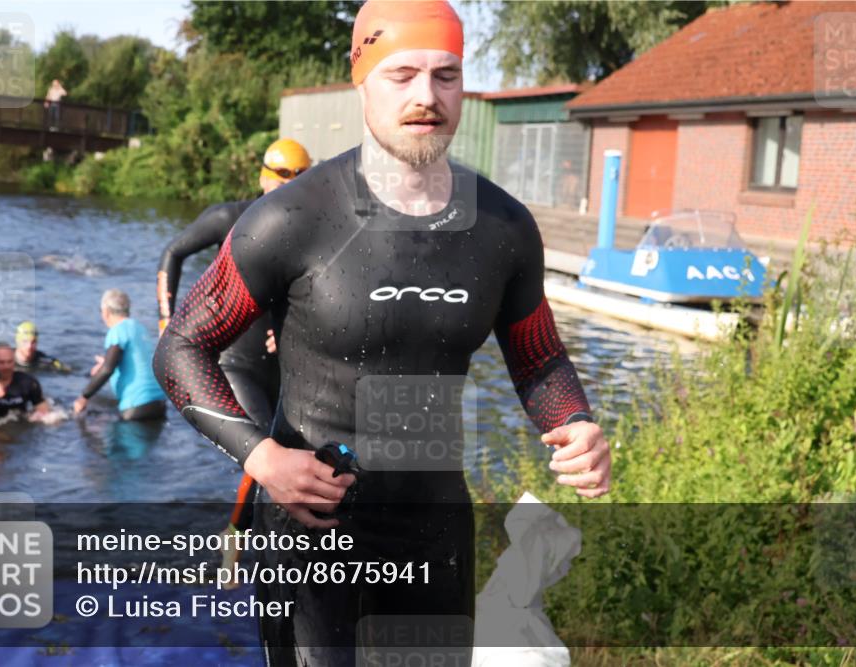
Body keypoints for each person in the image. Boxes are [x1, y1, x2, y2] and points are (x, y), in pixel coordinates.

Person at [154, 1, 611, 663]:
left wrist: (576, 419)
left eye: (446, 75)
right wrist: (260, 458)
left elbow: (538, 358)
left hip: (433, 528)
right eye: (402, 74)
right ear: (361, 79)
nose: (427, 96)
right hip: (311, 527)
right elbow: (181, 345)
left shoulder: (504, 228)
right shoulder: (290, 217)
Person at [157, 138, 311, 536]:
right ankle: (238, 542)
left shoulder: (313, 227)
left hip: (282, 368)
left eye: (300, 175)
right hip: (235, 364)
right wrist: (166, 321)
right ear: (263, 174)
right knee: (264, 453)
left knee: (294, 456)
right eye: (282, 174)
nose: (290, 182)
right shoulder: (232, 217)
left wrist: (296, 328)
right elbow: (173, 253)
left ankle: (252, 541)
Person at [75, 289, 166, 421]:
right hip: (159, 404)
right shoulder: (140, 328)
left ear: (106, 311)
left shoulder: (117, 331)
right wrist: (106, 362)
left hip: (136, 406)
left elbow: (107, 370)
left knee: (85, 421)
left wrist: (83, 397)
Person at [0, 341, 50, 423]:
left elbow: (46, 414)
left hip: (18, 428)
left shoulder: (28, 382)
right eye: (1, 362)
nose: (6, 366)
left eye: (10, 362)